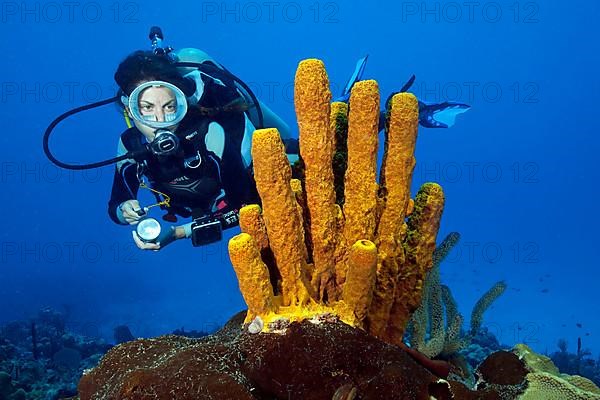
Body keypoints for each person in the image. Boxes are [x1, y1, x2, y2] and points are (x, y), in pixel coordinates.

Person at [108, 48, 294, 250]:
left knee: (296, 156)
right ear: (130, 109)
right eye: (147, 108)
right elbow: (117, 205)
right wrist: (124, 209)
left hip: (252, 182)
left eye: (169, 107)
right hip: (201, 205)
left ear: (181, 104)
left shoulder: (209, 133)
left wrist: (179, 233)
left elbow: (246, 205)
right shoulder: (131, 144)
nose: (160, 120)